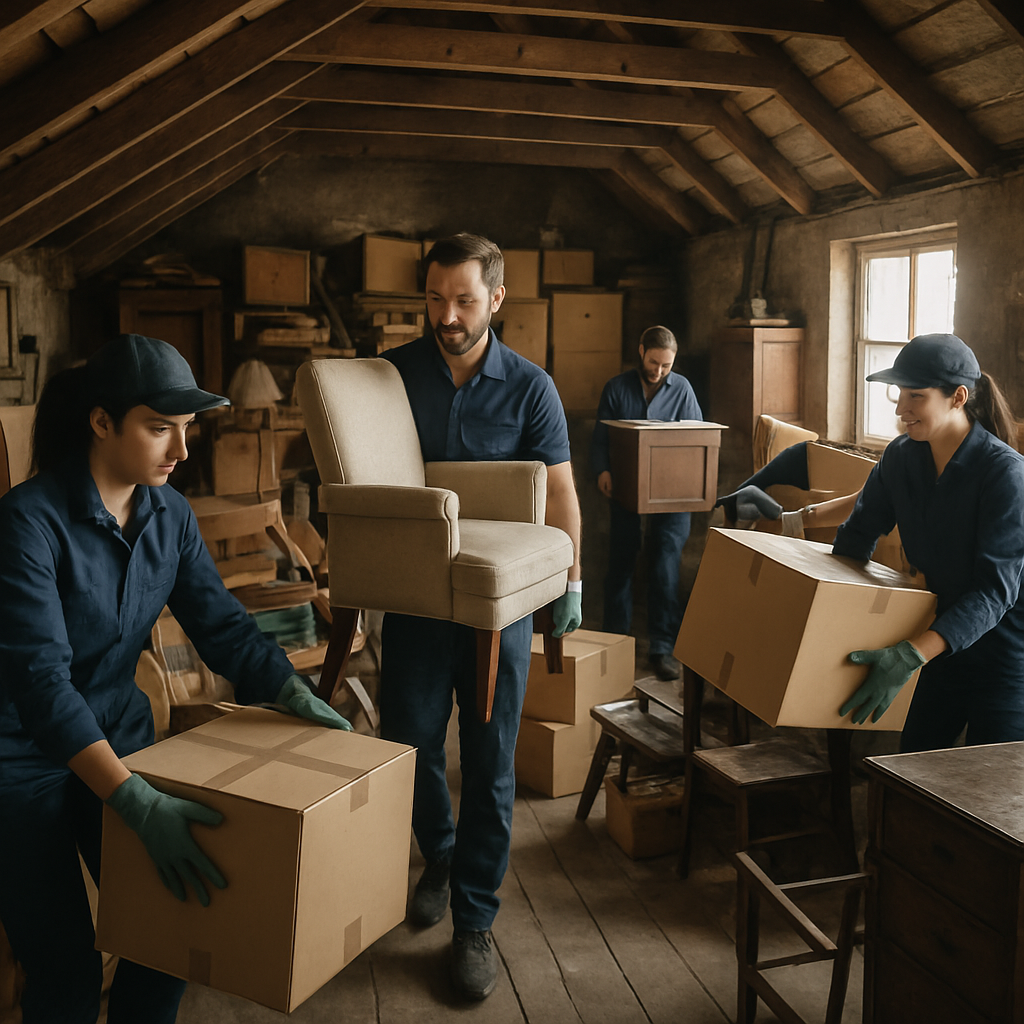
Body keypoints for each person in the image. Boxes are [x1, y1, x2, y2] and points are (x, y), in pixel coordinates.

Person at [0, 334, 349, 1024]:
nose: (182, 452)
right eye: (161, 428)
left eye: (187, 429)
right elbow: (41, 685)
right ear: (102, 422)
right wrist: (133, 801)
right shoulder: (26, 525)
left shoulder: (170, 515)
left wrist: (288, 690)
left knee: (169, 940)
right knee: (65, 971)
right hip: (18, 761)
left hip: (119, 731)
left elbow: (221, 625)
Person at [380, 234, 582, 1001]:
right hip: (418, 599)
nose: (447, 315)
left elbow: (559, 493)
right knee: (411, 741)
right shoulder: (392, 375)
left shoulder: (531, 388)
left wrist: (572, 578)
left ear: (497, 300)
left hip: (502, 612)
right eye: (435, 298)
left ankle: (475, 919)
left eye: (464, 300)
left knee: (492, 762)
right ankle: (438, 851)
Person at [831, 333, 1024, 751]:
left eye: (915, 396)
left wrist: (910, 655)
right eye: (898, 394)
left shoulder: (1004, 474)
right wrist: (830, 619)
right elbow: (857, 537)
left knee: (991, 793)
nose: (902, 409)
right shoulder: (901, 456)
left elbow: (994, 591)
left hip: (1004, 656)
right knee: (916, 772)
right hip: (935, 645)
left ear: (958, 397)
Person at [590, 326, 702, 681]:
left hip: (673, 492)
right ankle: (615, 640)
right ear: (641, 352)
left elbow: (697, 438)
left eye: (666, 366)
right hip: (625, 485)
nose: (658, 371)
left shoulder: (682, 389)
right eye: (654, 362)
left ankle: (662, 648)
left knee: (666, 563)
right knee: (622, 559)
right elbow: (600, 439)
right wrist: (602, 470)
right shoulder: (616, 387)